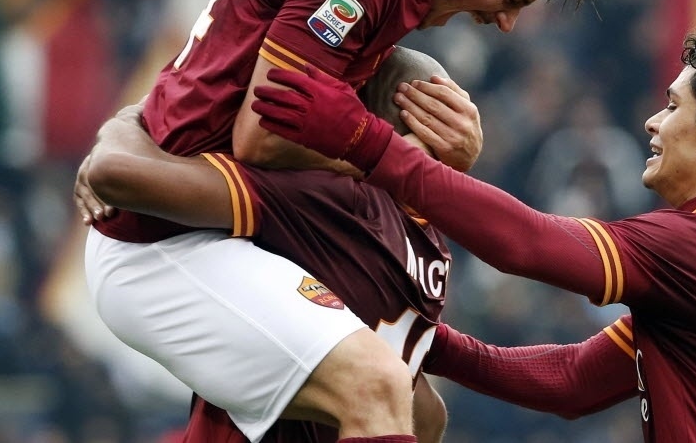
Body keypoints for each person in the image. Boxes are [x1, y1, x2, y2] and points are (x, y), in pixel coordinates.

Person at [80, 0, 607, 442]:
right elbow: (265, 132)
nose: (507, 22)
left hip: (218, 226)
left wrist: (121, 130)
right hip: (169, 233)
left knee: (413, 407)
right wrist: (397, 157)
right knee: (375, 384)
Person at [251, 5, 696, 442]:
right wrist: (416, 333)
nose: (652, 123)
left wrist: (366, 140)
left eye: (672, 106)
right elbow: (572, 381)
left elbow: (526, 243)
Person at [80, 48, 458, 442]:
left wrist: (123, 126)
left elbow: (118, 174)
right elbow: (431, 412)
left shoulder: (320, 197)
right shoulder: (434, 252)